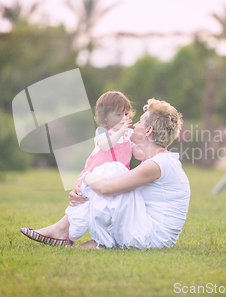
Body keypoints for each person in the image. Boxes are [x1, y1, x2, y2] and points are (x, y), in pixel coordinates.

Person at [21, 98, 190, 249]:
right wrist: (81, 189)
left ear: (148, 131)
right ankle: (73, 232)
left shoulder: (157, 164)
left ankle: (63, 228)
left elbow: (107, 188)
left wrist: (85, 177)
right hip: (148, 230)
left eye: (139, 122)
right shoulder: (157, 161)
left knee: (113, 169)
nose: (133, 123)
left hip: (152, 236)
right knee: (111, 173)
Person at [21, 91, 143, 245]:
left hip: (115, 178)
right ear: (105, 117)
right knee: (82, 204)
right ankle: (63, 232)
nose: (124, 118)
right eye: (118, 114)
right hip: (94, 177)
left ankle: (65, 234)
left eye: (126, 114)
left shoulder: (128, 134)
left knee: (98, 208)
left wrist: (143, 142)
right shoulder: (103, 132)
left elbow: (138, 154)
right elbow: (105, 145)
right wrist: (120, 132)